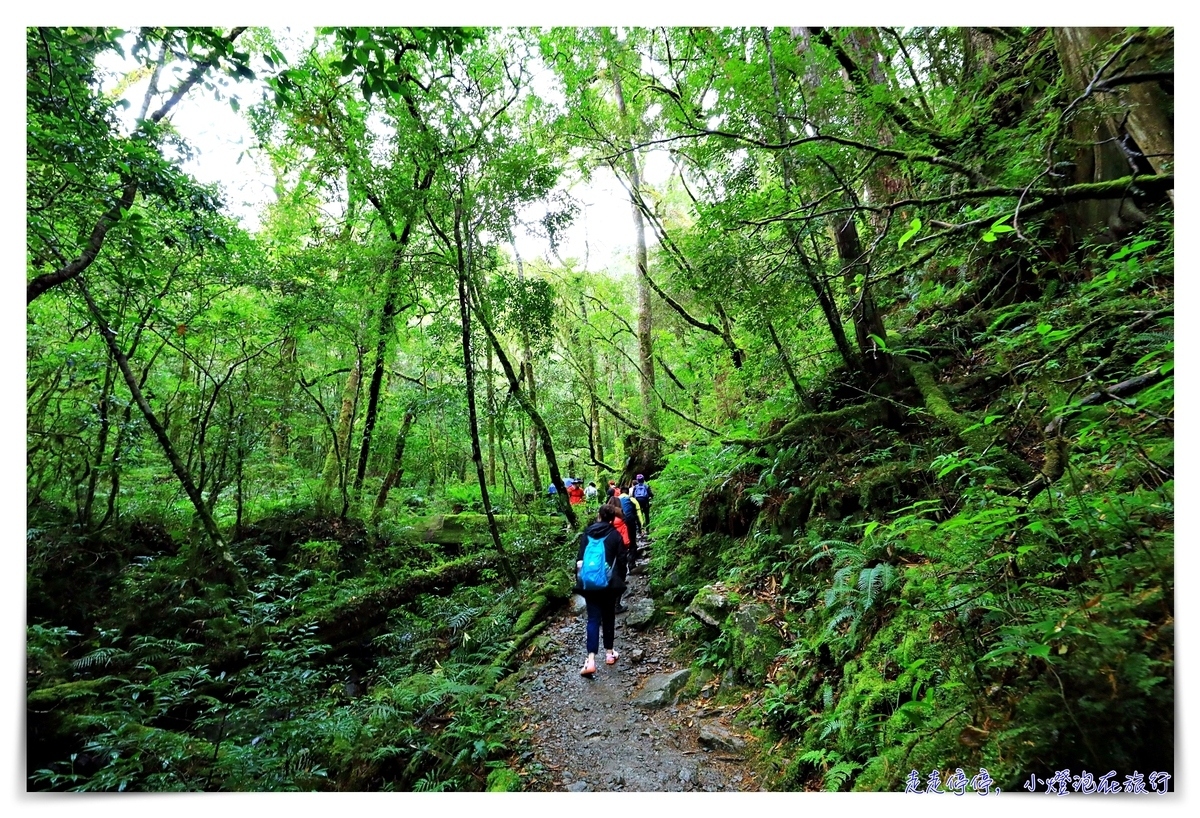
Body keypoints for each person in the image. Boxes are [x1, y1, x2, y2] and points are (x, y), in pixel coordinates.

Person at [574, 504, 627, 677]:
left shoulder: (588, 533)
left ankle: (590, 660)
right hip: (609, 584)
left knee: (593, 619)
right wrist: (620, 580)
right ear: (613, 518)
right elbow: (621, 560)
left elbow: (580, 559)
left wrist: (581, 581)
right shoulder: (615, 535)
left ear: (599, 516)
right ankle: (610, 654)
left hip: (590, 584)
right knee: (608, 617)